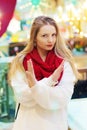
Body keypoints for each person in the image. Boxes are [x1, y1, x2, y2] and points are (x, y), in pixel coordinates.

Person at [8, 16, 80, 130]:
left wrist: (34, 87)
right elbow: (22, 96)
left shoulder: (63, 62)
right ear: (34, 37)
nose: (50, 40)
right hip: (27, 124)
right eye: (44, 36)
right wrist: (50, 82)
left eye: (53, 35)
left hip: (55, 124)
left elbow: (62, 98)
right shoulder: (22, 61)